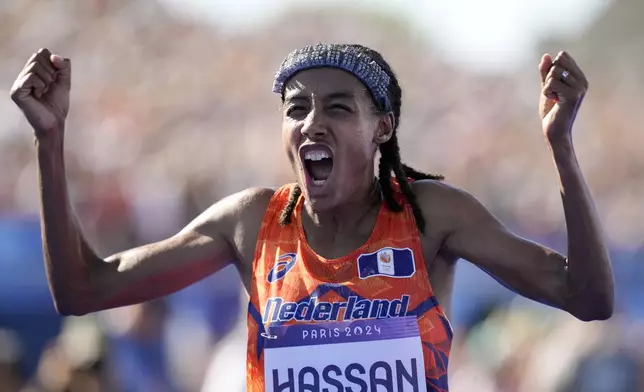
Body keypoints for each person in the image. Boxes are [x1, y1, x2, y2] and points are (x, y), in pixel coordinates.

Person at [10, 43, 614, 392]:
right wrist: (50, 141)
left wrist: (561, 146)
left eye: (337, 107)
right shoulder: (251, 222)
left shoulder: (429, 215)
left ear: (383, 127)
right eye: (295, 108)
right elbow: (83, 289)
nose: (310, 123)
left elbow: (586, 296)